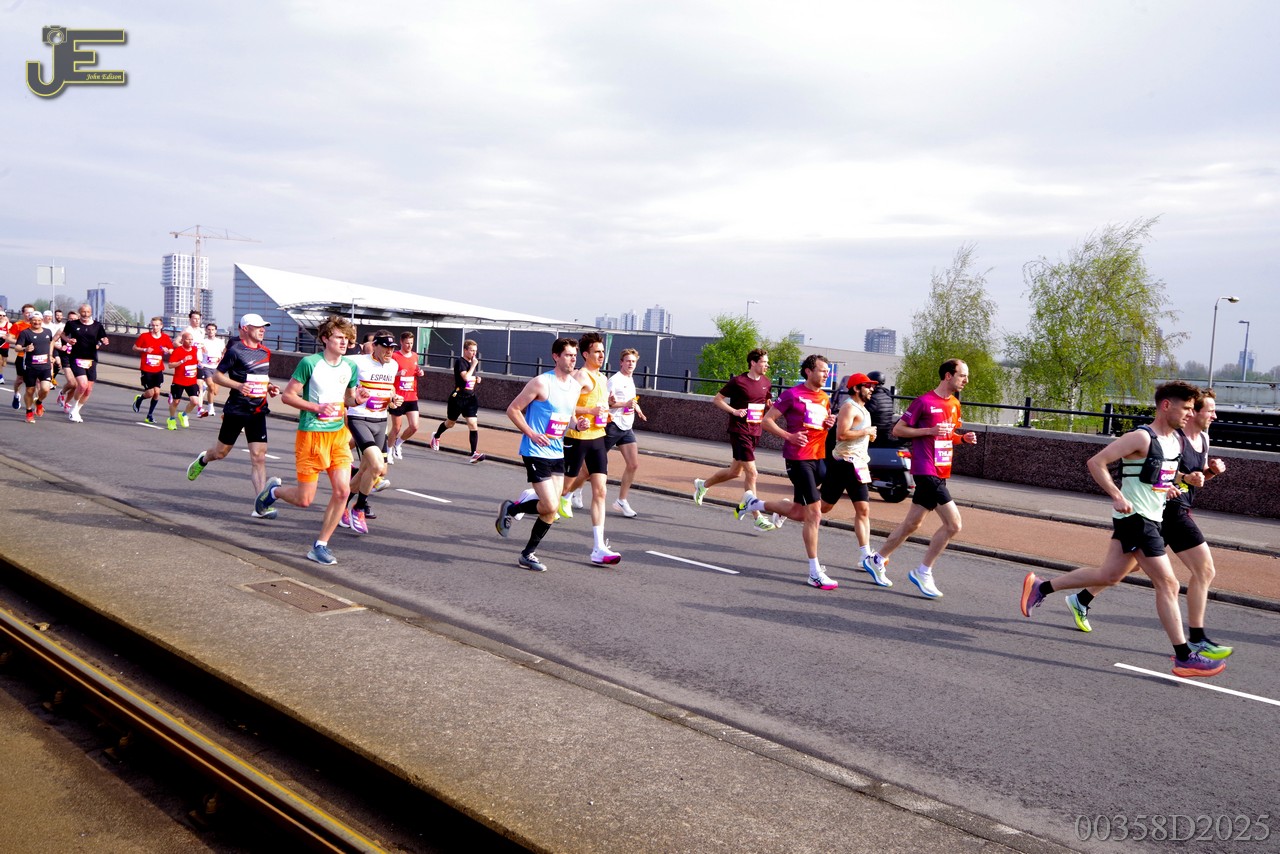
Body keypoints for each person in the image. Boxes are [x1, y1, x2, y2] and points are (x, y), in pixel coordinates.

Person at [1019, 381, 1226, 678]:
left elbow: (1158, 474)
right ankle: (1184, 656)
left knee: (1109, 575)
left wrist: (1179, 481)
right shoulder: (1140, 436)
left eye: (1193, 409)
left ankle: (1041, 587)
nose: (1190, 414)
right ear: (1166, 405)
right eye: (1186, 408)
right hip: (1135, 518)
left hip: (1153, 516)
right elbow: (1096, 462)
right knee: (1168, 584)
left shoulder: (1174, 441)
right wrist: (1117, 495)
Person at [1062, 389, 1232, 659]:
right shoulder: (1170, 437)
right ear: (1193, 412)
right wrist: (1130, 493)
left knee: (1120, 571)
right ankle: (1194, 642)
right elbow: (1155, 472)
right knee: (1195, 573)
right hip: (1167, 513)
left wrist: (1207, 473)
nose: (1214, 415)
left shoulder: (1202, 439)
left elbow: (1188, 478)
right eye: (1209, 410)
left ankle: (1077, 597)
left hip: (1166, 511)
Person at [253, 316, 367, 566]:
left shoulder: (350, 366)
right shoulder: (310, 363)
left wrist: (357, 399)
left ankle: (320, 545)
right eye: (339, 337)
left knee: (343, 491)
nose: (344, 342)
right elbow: (288, 396)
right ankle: (273, 492)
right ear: (325, 338)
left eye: (347, 339)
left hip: (338, 436)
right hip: (311, 436)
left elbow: (347, 399)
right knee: (305, 500)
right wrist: (316, 407)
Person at [862, 359, 979, 599]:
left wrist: (963, 438)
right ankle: (923, 571)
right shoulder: (924, 402)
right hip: (925, 469)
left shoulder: (955, 403)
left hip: (941, 470)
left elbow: (948, 435)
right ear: (948, 375)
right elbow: (898, 430)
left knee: (912, 524)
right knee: (954, 524)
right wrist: (928, 431)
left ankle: (878, 559)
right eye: (962, 375)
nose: (966, 380)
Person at [734, 355, 837, 588]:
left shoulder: (824, 398)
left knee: (799, 513)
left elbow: (818, 425)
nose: (826, 375)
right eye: (822, 370)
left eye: (827, 371)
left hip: (819, 458)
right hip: (798, 459)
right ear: (808, 371)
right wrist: (789, 436)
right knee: (815, 514)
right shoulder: (792, 394)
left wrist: (828, 424)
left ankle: (754, 503)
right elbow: (767, 421)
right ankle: (814, 572)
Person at [493, 337, 587, 572]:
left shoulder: (575, 387)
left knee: (551, 509)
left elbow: (569, 417)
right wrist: (532, 433)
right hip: (535, 450)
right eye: (568, 355)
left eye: (574, 355)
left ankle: (522, 540)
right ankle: (523, 541)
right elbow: (513, 409)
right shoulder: (541, 383)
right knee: (551, 504)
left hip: (556, 451)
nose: (573, 359)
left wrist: (578, 425)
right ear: (556, 356)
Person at [185, 314, 281, 507]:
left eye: (264, 327)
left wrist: (269, 387)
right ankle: (204, 459)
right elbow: (217, 376)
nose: (262, 330)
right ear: (245, 328)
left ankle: (261, 504)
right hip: (237, 409)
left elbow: (261, 376)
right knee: (220, 453)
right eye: (258, 327)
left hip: (258, 409)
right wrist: (238, 386)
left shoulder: (265, 352)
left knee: (259, 456)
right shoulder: (235, 351)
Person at [692, 348, 776, 530]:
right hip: (739, 431)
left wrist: (770, 406)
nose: (767, 365)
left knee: (735, 472)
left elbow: (765, 403)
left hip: (755, 431)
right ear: (753, 363)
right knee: (752, 473)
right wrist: (734, 411)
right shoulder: (738, 381)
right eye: (764, 362)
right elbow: (717, 399)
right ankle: (757, 517)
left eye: (767, 362)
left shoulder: (766, 382)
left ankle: (702, 485)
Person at [560, 331, 622, 565]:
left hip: (598, 437)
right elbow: (566, 405)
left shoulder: (603, 379)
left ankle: (598, 547)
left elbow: (601, 405)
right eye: (597, 351)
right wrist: (588, 412)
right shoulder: (580, 376)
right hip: (578, 437)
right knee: (563, 487)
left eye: (603, 351)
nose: (601, 355)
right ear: (585, 354)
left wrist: (608, 409)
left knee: (601, 491)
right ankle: (524, 501)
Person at [338, 330, 401, 533]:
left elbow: (389, 388)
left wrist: (394, 398)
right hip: (359, 418)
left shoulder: (393, 365)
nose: (389, 352)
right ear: (374, 346)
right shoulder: (357, 361)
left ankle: (340, 507)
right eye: (386, 347)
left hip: (380, 421)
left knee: (368, 471)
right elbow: (334, 362)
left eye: (392, 348)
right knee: (376, 465)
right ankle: (359, 508)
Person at [820, 373, 881, 580]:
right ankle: (788, 509)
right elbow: (842, 434)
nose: (871, 389)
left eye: (872, 387)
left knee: (863, 509)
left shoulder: (864, 410)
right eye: (868, 386)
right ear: (856, 388)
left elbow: (859, 434)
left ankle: (865, 555)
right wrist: (866, 431)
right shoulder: (849, 407)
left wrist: (869, 434)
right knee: (823, 508)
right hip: (843, 464)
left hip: (858, 465)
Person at [605, 348, 647, 517]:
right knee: (590, 466)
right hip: (612, 425)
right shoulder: (614, 380)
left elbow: (631, 401)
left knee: (633, 464)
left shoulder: (630, 379)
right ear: (621, 362)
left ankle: (621, 500)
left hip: (626, 427)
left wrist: (638, 410)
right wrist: (625, 404)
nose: (630, 364)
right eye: (628, 361)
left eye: (633, 361)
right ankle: (570, 492)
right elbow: (606, 403)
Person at [431, 339, 484, 463]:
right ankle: (436, 435)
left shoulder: (471, 362)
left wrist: (477, 378)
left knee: (473, 424)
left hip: (470, 398)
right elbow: (465, 377)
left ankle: (474, 453)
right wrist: (474, 366)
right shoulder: (460, 362)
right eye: (471, 350)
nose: (474, 353)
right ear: (465, 350)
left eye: (475, 351)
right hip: (458, 397)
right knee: (450, 423)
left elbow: (470, 378)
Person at [60, 302, 110, 423]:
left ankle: (76, 410)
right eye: (83, 312)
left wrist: (105, 340)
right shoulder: (72, 324)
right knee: (82, 385)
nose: (85, 314)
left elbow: (103, 337)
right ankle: (73, 407)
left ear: (91, 313)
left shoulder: (97, 325)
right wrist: (68, 340)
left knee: (88, 390)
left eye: (88, 312)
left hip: (91, 359)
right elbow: (63, 334)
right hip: (76, 358)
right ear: (79, 312)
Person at [386, 331, 425, 463]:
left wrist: (420, 373)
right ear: (401, 342)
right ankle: (388, 451)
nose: (409, 346)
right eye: (407, 343)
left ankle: (398, 443)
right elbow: (387, 374)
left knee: (414, 426)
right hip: (398, 397)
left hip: (412, 396)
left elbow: (415, 371)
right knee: (396, 427)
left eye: (411, 343)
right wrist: (398, 373)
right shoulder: (395, 356)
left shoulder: (415, 356)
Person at [132, 317, 175, 423]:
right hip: (146, 369)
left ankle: (149, 415)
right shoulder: (144, 336)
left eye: (157, 325)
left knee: (157, 392)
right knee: (150, 393)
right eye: (153, 325)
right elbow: (134, 347)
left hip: (158, 369)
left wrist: (167, 350)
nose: (155, 327)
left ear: (161, 326)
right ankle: (139, 399)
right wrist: (145, 349)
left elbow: (171, 350)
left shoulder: (165, 338)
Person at [14, 310, 54, 422]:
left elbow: (51, 342)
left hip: (45, 366)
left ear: (42, 320)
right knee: (30, 391)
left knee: (45, 389)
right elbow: (17, 347)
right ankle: (29, 411)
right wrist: (25, 348)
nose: (37, 322)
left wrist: (51, 355)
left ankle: (39, 402)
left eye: (39, 320)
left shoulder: (48, 332)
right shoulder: (25, 333)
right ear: (30, 321)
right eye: (34, 320)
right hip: (30, 367)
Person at [166, 329, 202, 430]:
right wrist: (182, 361)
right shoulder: (178, 351)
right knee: (176, 402)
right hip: (179, 381)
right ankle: (171, 419)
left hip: (191, 381)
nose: (190, 341)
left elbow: (196, 360)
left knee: (195, 401)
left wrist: (199, 364)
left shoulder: (194, 349)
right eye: (188, 339)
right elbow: (170, 365)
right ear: (182, 340)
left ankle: (184, 415)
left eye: (191, 339)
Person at [8, 304, 36, 409]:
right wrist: (21, 343)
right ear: (23, 313)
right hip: (22, 355)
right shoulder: (18, 325)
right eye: (27, 312)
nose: (29, 314)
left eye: (31, 312)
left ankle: (37, 402)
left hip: (36, 357)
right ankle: (16, 395)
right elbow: (8, 339)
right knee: (20, 379)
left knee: (36, 381)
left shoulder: (38, 324)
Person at [197, 322, 226, 416]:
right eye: (209, 329)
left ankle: (205, 387)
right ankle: (211, 408)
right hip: (206, 366)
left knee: (215, 391)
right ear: (206, 330)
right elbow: (198, 352)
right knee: (211, 386)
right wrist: (199, 361)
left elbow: (223, 353)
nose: (211, 331)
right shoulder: (203, 342)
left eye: (212, 330)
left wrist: (222, 359)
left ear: (215, 331)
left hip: (217, 368)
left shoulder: (220, 342)